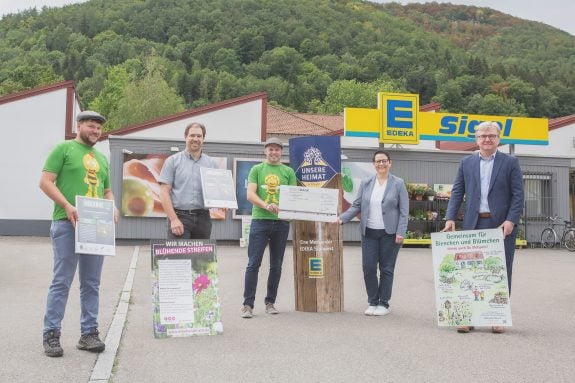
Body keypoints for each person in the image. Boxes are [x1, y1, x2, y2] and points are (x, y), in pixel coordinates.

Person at [39, 110, 119, 357]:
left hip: (96, 226)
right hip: (66, 223)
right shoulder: (62, 149)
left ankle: (89, 334)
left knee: (91, 283)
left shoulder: (102, 158)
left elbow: (106, 191)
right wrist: (66, 205)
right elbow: (45, 181)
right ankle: (51, 334)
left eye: (98, 128)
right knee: (62, 281)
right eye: (91, 126)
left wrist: (113, 206)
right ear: (79, 125)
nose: (96, 131)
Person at [442, 121, 524, 334]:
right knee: (470, 272)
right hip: (473, 224)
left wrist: (510, 220)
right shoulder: (466, 162)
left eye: (491, 135)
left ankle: (498, 317)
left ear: (499, 139)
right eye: (482, 136)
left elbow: (518, 196)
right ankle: (468, 317)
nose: (487, 139)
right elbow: (457, 192)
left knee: (500, 271)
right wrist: (450, 217)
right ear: (476, 139)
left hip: (501, 226)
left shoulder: (510, 163)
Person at [339, 150, 409, 316]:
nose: (381, 164)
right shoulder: (366, 182)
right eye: (378, 161)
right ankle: (372, 301)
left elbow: (404, 210)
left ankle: (383, 303)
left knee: (386, 269)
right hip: (369, 232)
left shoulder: (398, 183)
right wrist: (342, 218)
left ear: (389, 163)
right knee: (368, 268)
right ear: (374, 164)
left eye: (384, 161)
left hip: (390, 234)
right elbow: (356, 205)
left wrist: (401, 231)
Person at [241, 137, 297, 318]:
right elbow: (250, 194)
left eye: (277, 149)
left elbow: (294, 196)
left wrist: (289, 211)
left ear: (282, 152)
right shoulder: (257, 169)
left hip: (281, 223)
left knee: (277, 264)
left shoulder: (288, 171)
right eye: (270, 149)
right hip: (260, 221)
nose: (274, 152)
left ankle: (270, 302)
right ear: (265, 151)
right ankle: (248, 305)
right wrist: (266, 205)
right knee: (253, 263)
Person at [159, 122, 217, 239]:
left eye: (199, 136)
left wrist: (223, 201)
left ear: (203, 139)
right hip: (180, 217)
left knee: (201, 257)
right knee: (179, 257)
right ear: (185, 137)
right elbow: (164, 192)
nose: (195, 139)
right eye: (192, 135)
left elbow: (217, 189)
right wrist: (174, 219)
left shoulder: (211, 163)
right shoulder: (173, 161)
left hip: (203, 219)